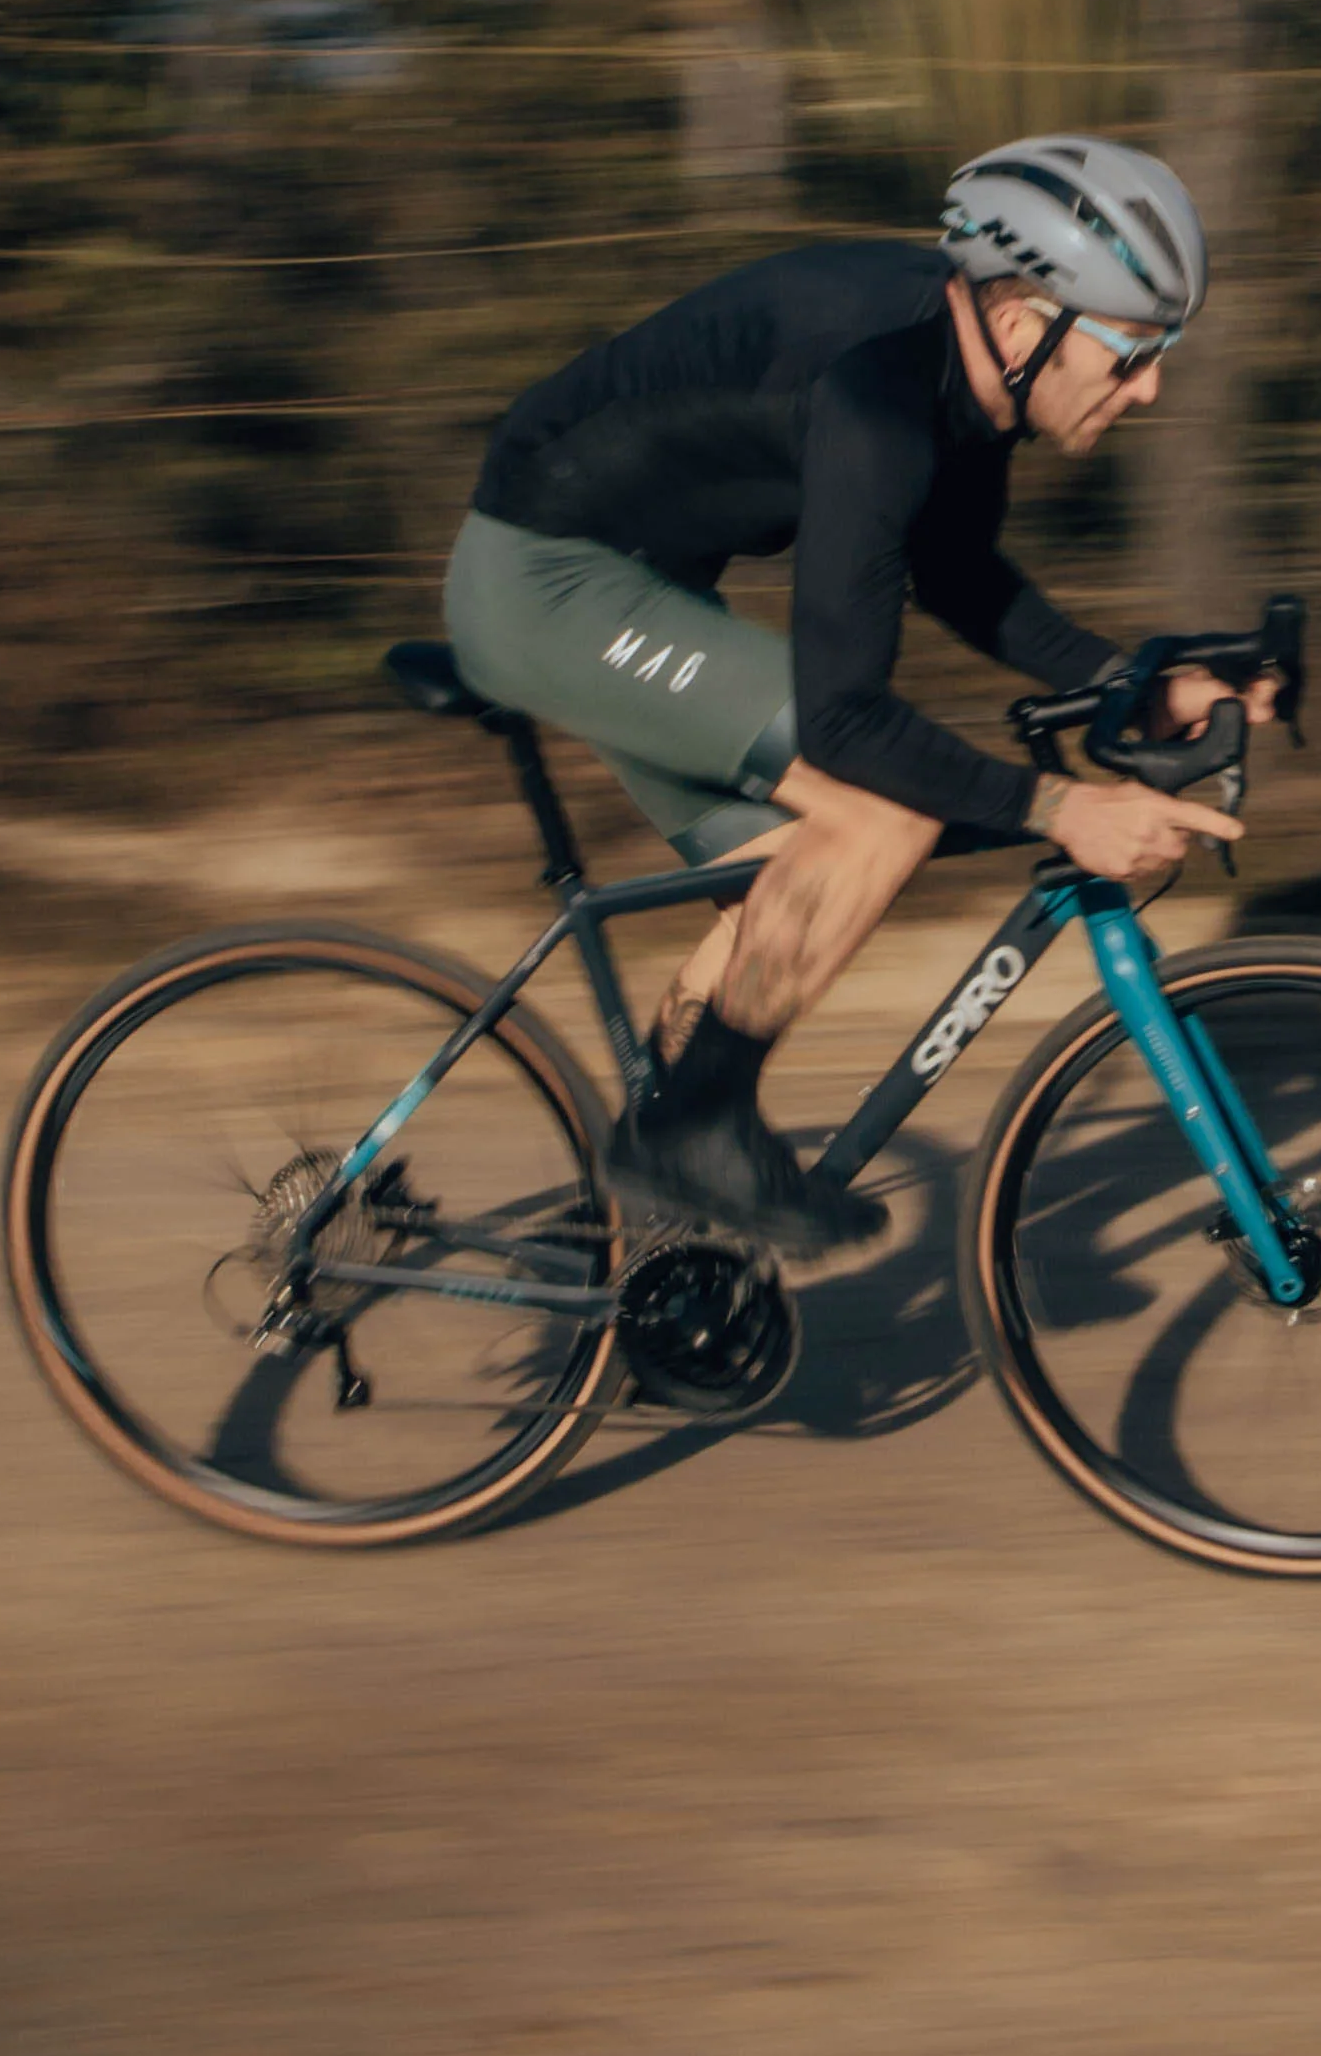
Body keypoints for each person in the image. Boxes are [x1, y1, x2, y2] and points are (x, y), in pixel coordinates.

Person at [441, 134, 1262, 1260]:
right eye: (1132, 352)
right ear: (1027, 326)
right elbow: (847, 721)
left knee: (798, 886)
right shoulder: (877, 400)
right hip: (543, 581)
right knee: (877, 812)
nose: (1150, 383)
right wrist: (1060, 807)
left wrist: (1131, 680)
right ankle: (691, 1133)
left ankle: (656, 1254)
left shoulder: (967, 379)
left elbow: (961, 575)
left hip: (639, 581)